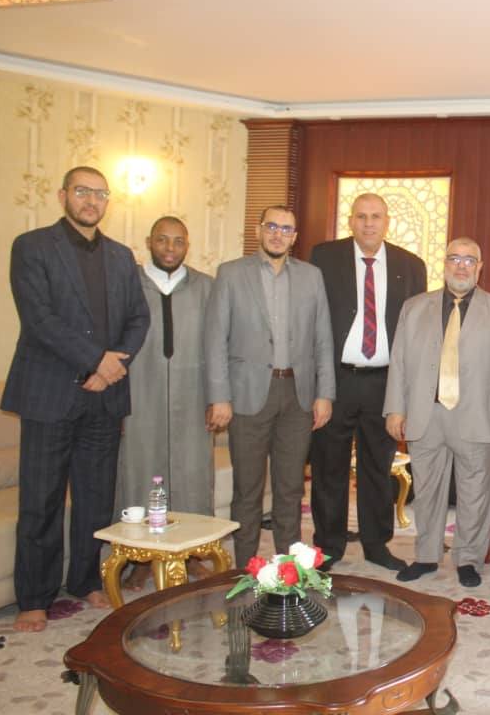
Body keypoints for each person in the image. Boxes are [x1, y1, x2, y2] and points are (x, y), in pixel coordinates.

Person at [2, 166, 149, 632]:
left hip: (105, 397)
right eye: (83, 191)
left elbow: (139, 318)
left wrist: (111, 367)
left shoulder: (121, 256)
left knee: (95, 496)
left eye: (100, 194)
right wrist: (95, 362)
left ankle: (85, 579)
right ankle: (34, 598)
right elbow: (39, 319)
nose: (91, 201)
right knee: (41, 499)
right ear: (63, 194)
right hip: (50, 392)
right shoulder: (32, 247)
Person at [384, 237, 490, 588]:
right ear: (444, 264)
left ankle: (468, 559)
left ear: (480, 267)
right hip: (425, 414)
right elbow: (398, 362)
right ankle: (426, 556)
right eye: (454, 259)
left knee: (475, 494)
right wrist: (395, 409)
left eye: (469, 260)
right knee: (427, 492)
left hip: (478, 416)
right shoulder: (414, 307)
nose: (461, 266)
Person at [205, 205, 335, 569]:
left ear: (295, 237)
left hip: (297, 395)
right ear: (259, 231)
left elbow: (323, 339)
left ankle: (288, 568)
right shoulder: (231, 274)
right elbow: (215, 339)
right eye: (272, 226)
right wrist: (219, 396)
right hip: (247, 395)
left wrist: (325, 394)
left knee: (290, 488)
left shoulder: (311, 276)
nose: (279, 234)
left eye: (286, 229)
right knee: (247, 489)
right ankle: (246, 567)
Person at [309, 194, 427, 573]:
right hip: (337, 379)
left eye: (376, 216)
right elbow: (311, 318)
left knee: (379, 466)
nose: (369, 223)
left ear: (387, 221)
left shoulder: (411, 265)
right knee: (329, 466)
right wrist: (318, 386)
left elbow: (417, 334)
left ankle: (377, 544)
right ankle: (329, 545)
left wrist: (407, 394)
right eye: (361, 216)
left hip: (385, 382)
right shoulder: (324, 258)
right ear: (351, 221)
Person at [115, 216, 216, 590]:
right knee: (139, 471)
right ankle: (141, 558)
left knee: (193, 474)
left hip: (193, 394)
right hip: (140, 392)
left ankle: (192, 554)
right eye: (162, 240)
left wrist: (217, 397)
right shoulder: (129, 285)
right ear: (149, 242)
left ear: (188, 245)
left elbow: (219, 345)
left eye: (178, 241)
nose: (170, 248)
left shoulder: (206, 287)